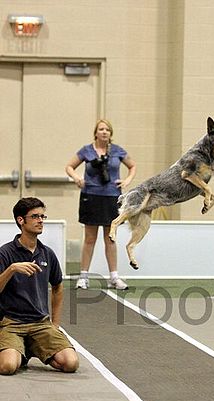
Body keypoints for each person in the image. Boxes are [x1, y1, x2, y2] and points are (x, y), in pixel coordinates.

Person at [0, 197, 79, 375]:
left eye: (43, 216)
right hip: (12, 323)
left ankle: (31, 348)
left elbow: (58, 287)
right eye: (35, 216)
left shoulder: (47, 254)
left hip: (40, 323)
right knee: (7, 367)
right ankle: (20, 351)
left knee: (71, 363)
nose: (41, 221)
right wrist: (11, 270)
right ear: (21, 220)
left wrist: (55, 324)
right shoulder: (5, 253)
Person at [65, 119, 136, 290]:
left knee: (110, 238)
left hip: (112, 197)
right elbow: (69, 166)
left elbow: (132, 166)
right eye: (101, 129)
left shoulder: (117, 151)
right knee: (90, 238)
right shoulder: (87, 151)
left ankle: (114, 277)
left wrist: (126, 181)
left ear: (111, 134)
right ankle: (83, 277)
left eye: (107, 130)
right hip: (91, 195)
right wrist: (77, 178)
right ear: (95, 133)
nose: (104, 132)